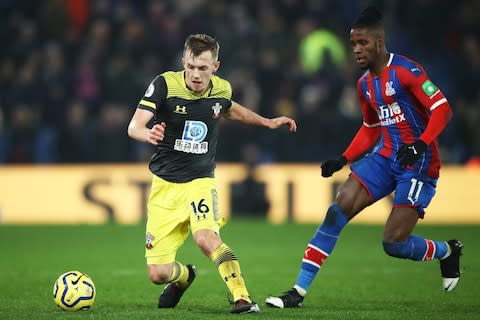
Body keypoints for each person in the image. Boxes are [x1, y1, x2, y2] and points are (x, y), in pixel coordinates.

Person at [265, 6, 463, 309]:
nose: (356, 50)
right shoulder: (364, 84)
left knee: (394, 243)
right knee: (338, 209)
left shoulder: (407, 72)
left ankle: (446, 251)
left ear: (379, 43)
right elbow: (371, 128)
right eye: (353, 44)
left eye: (363, 43)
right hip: (384, 156)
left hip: (418, 163)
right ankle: (298, 292)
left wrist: (421, 144)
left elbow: (442, 109)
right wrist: (343, 159)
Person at [127, 34, 297, 314]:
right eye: (191, 66)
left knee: (206, 238)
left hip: (200, 180)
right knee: (158, 273)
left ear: (215, 66)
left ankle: (242, 297)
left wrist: (267, 122)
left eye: (203, 68)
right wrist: (148, 133)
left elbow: (230, 110)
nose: (195, 74)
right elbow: (134, 126)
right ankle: (184, 277)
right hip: (165, 187)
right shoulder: (164, 85)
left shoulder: (222, 90)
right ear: (184, 62)